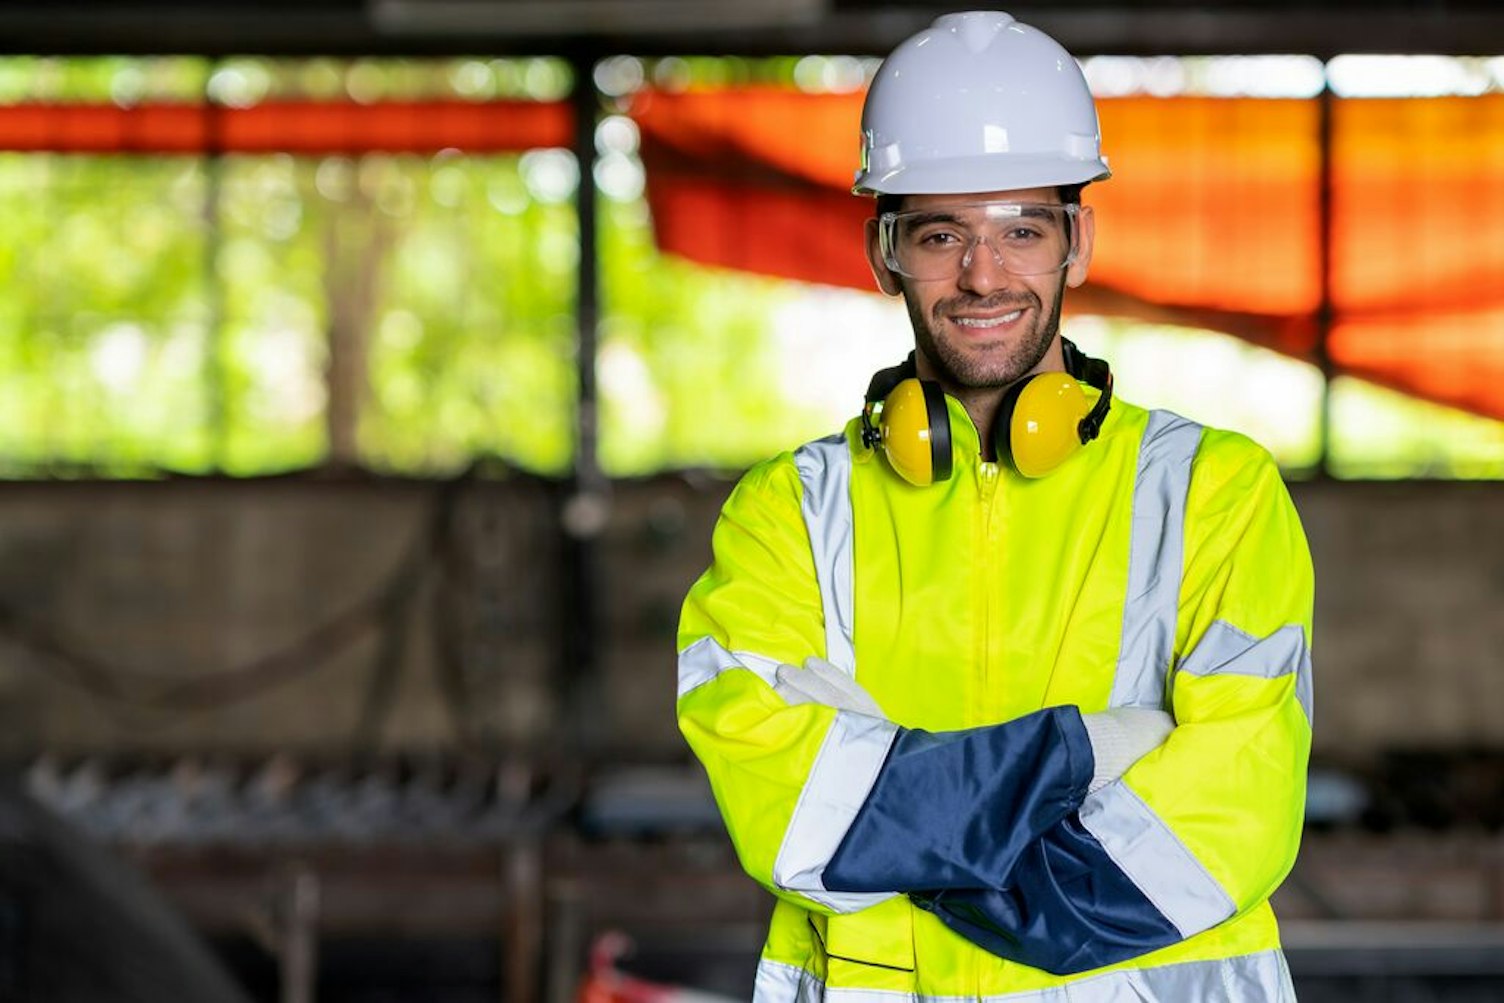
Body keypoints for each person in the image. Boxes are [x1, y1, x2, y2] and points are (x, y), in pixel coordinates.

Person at [676, 10, 1314, 1002]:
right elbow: (792, 814)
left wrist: (899, 812)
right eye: (940, 234)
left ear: (1078, 243)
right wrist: (1087, 751)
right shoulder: (787, 514)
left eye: (1023, 229)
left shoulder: (1215, 494)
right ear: (884, 251)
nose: (983, 275)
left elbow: (1231, 812)